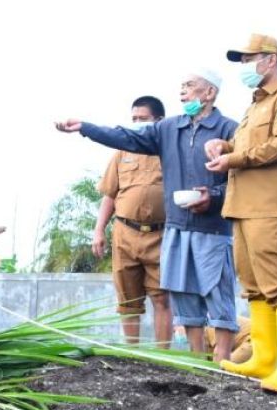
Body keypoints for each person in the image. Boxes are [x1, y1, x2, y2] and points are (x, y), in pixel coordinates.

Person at [55, 71, 240, 360]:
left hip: (213, 229)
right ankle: (195, 360)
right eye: (181, 86)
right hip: (177, 228)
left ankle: (222, 361)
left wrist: (213, 196)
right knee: (184, 297)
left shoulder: (229, 129)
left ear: (210, 93)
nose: (183, 92)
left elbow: (243, 183)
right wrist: (86, 128)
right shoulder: (168, 129)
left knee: (218, 295)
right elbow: (125, 136)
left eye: (190, 86)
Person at [204, 34, 277, 394]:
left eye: (249, 59)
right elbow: (250, 146)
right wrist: (226, 145)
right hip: (243, 205)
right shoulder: (254, 107)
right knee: (253, 286)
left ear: (270, 59)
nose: (245, 67)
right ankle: (264, 359)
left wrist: (233, 158)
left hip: (272, 206)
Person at [92, 95, 173, 346]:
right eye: (134, 119)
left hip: (161, 235)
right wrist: (98, 231)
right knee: (128, 302)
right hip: (125, 233)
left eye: (143, 119)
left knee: (162, 298)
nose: (137, 123)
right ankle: (133, 355)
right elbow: (110, 195)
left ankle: (163, 357)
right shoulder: (122, 152)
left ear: (159, 120)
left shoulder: (171, 151)